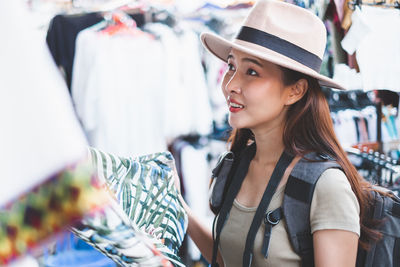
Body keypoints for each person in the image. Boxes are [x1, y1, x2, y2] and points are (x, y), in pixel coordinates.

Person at [176, 0, 378, 266]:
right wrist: (178, 208)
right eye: (232, 66)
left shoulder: (326, 187)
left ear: (295, 90)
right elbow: (229, 258)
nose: (230, 85)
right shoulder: (238, 163)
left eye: (252, 72)